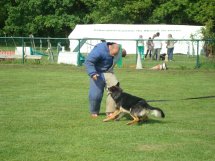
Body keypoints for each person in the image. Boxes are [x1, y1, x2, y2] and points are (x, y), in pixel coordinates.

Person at [85, 42, 125, 118]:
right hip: (97, 72)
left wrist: (124, 53)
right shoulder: (99, 50)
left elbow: (123, 52)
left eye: (115, 54)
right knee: (96, 94)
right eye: (113, 54)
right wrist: (92, 73)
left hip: (109, 72)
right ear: (110, 48)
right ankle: (94, 111)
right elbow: (88, 61)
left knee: (115, 90)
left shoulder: (118, 49)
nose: (113, 56)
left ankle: (110, 112)